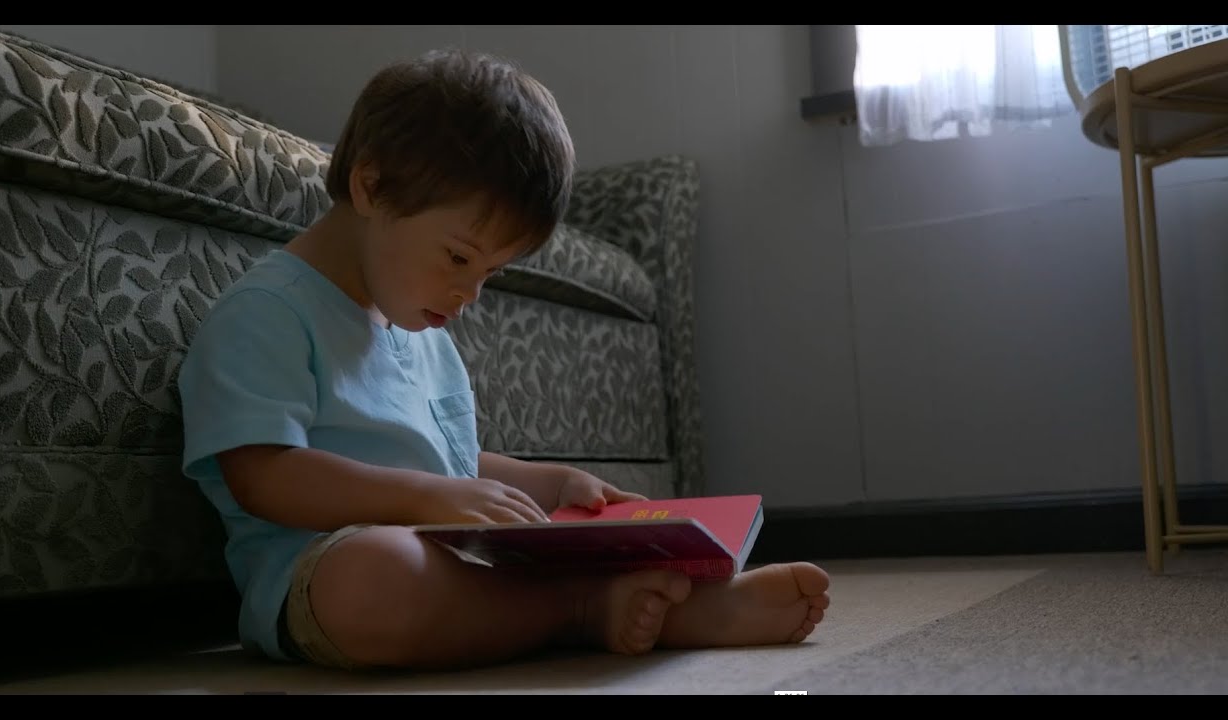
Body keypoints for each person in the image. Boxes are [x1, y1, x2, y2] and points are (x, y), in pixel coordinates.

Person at [177, 47, 831, 673]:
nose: (469, 294)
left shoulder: (419, 325)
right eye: (459, 257)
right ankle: (583, 610)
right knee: (375, 578)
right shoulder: (269, 312)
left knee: (535, 543)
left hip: (459, 561)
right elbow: (262, 474)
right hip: (325, 572)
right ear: (372, 187)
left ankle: (673, 601)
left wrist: (552, 484)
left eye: (490, 272)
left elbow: (454, 463)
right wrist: (429, 498)